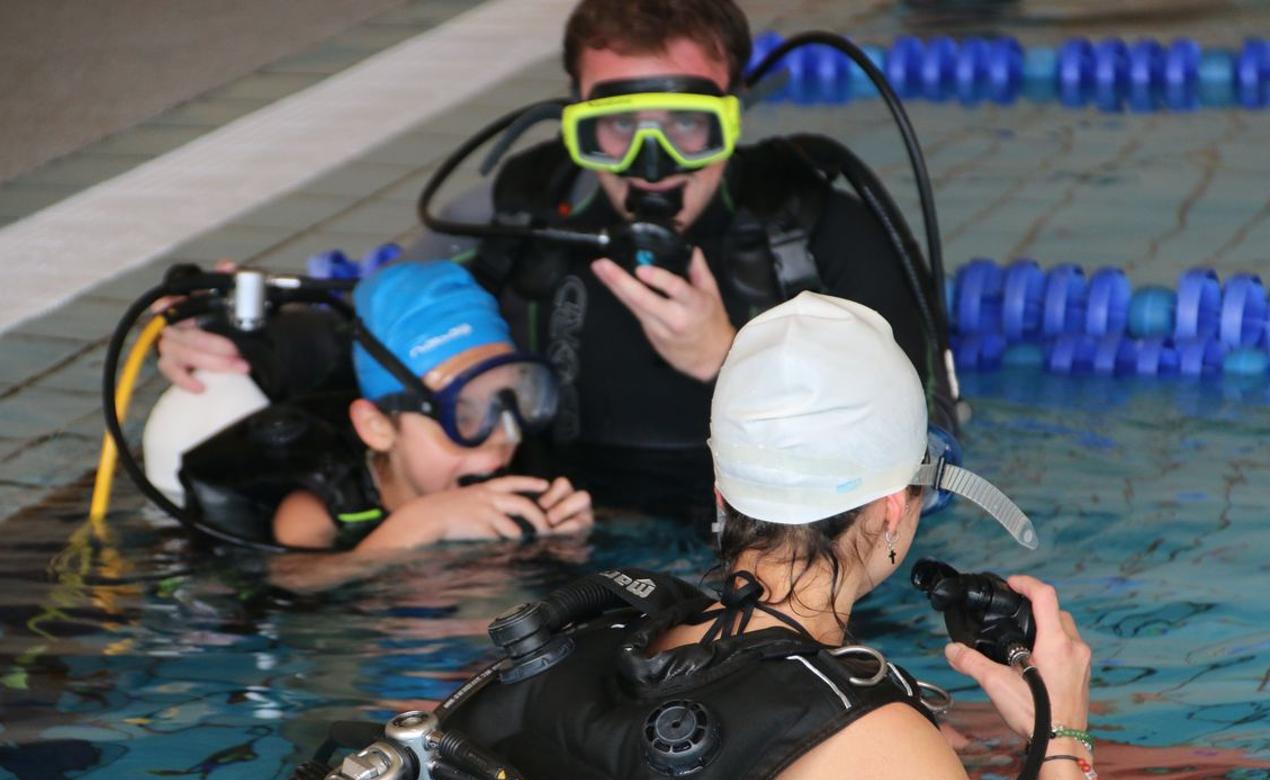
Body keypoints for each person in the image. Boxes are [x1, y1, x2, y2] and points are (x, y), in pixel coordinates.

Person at [154, 0, 955, 517]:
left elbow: (910, 453)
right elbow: (394, 336)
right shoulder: (528, 218)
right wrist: (240, 336)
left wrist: (728, 357)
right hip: (558, 534)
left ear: (732, 113)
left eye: (685, 125)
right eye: (615, 129)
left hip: (776, 541)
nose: (652, 164)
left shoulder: (820, 231)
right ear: (575, 117)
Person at [439, 294, 1114, 780]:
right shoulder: (870, 747)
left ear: (722, 496)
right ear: (890, 512)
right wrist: (1062, 736)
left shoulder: (612, 634)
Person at [176, 261, 593, 551]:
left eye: (515, 401)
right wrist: (421, 526)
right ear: (378, 428)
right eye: (464, 415)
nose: (502, 438)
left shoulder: (524, 476)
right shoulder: (322, 510)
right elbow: (301, 586)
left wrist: (567, 547)